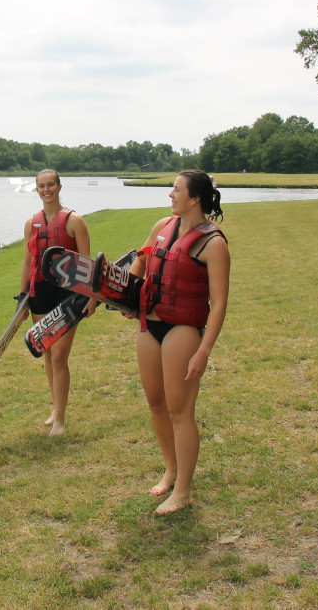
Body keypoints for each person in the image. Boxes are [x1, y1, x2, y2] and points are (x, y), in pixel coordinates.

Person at [127, 170, 231, 515]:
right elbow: (138, 268)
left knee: (180, 410)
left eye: (176, 189)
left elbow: (219, 305)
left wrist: (204, 351)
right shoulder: (162, 227)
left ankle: (183, 491)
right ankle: (170, 470)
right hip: (149, 326)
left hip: (183, 330)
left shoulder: (213, 244)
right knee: (156, 404)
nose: (170, 195)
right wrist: (124, 299)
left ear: (195, 198)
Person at [20, 169, 97, 437]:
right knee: (48, 354)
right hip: (40, 293)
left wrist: (91, 297)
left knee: (61, 356)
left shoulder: (75, 221)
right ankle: (55, 408)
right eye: (41, 186)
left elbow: (87, 264)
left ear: (59, 186)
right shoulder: (32, 223)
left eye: (50, 184)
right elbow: (29, 261)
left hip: (68, 295)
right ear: (37, 189)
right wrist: (23, 296)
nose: (46, 190)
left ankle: (61, 419)